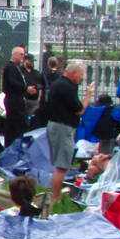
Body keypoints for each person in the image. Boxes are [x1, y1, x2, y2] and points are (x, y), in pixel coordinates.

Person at [45, 61, 94, 205]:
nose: (81, 78)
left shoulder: (60, 84)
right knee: (62, 166)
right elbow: (79, 109)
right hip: (62, 128)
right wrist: (88, 95)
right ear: (74, 73)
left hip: (56, 126)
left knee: (61, 164)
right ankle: (56, 197)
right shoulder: (66, 87)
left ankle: (56, 194)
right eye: (81, 75)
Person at [1, 45, 34, 146]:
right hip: (13, 99)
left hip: (18, 98)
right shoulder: (10, 67)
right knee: (15, 124)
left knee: (20, 124)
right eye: (21, 54)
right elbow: (13, 82)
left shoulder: (16, 67)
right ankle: (12, 145)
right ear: (14, 54)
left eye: (23, 54)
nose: (22, 56)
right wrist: (26, 88)